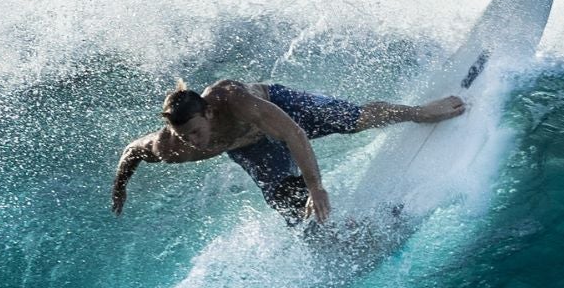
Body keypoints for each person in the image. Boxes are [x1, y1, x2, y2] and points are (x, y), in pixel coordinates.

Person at [110, 79, 465, 225]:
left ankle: (420, 112)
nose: (193, 142)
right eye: (184, 136)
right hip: (251, 150)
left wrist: (317, 186)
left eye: (196, 132)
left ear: (209, 112)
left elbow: (294, 134)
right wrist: (120, 185)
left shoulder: (235, 99)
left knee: (352, 119)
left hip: (283, 112)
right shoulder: (172, 147)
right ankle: (342, 237)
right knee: (288, 204)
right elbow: (132, 151)